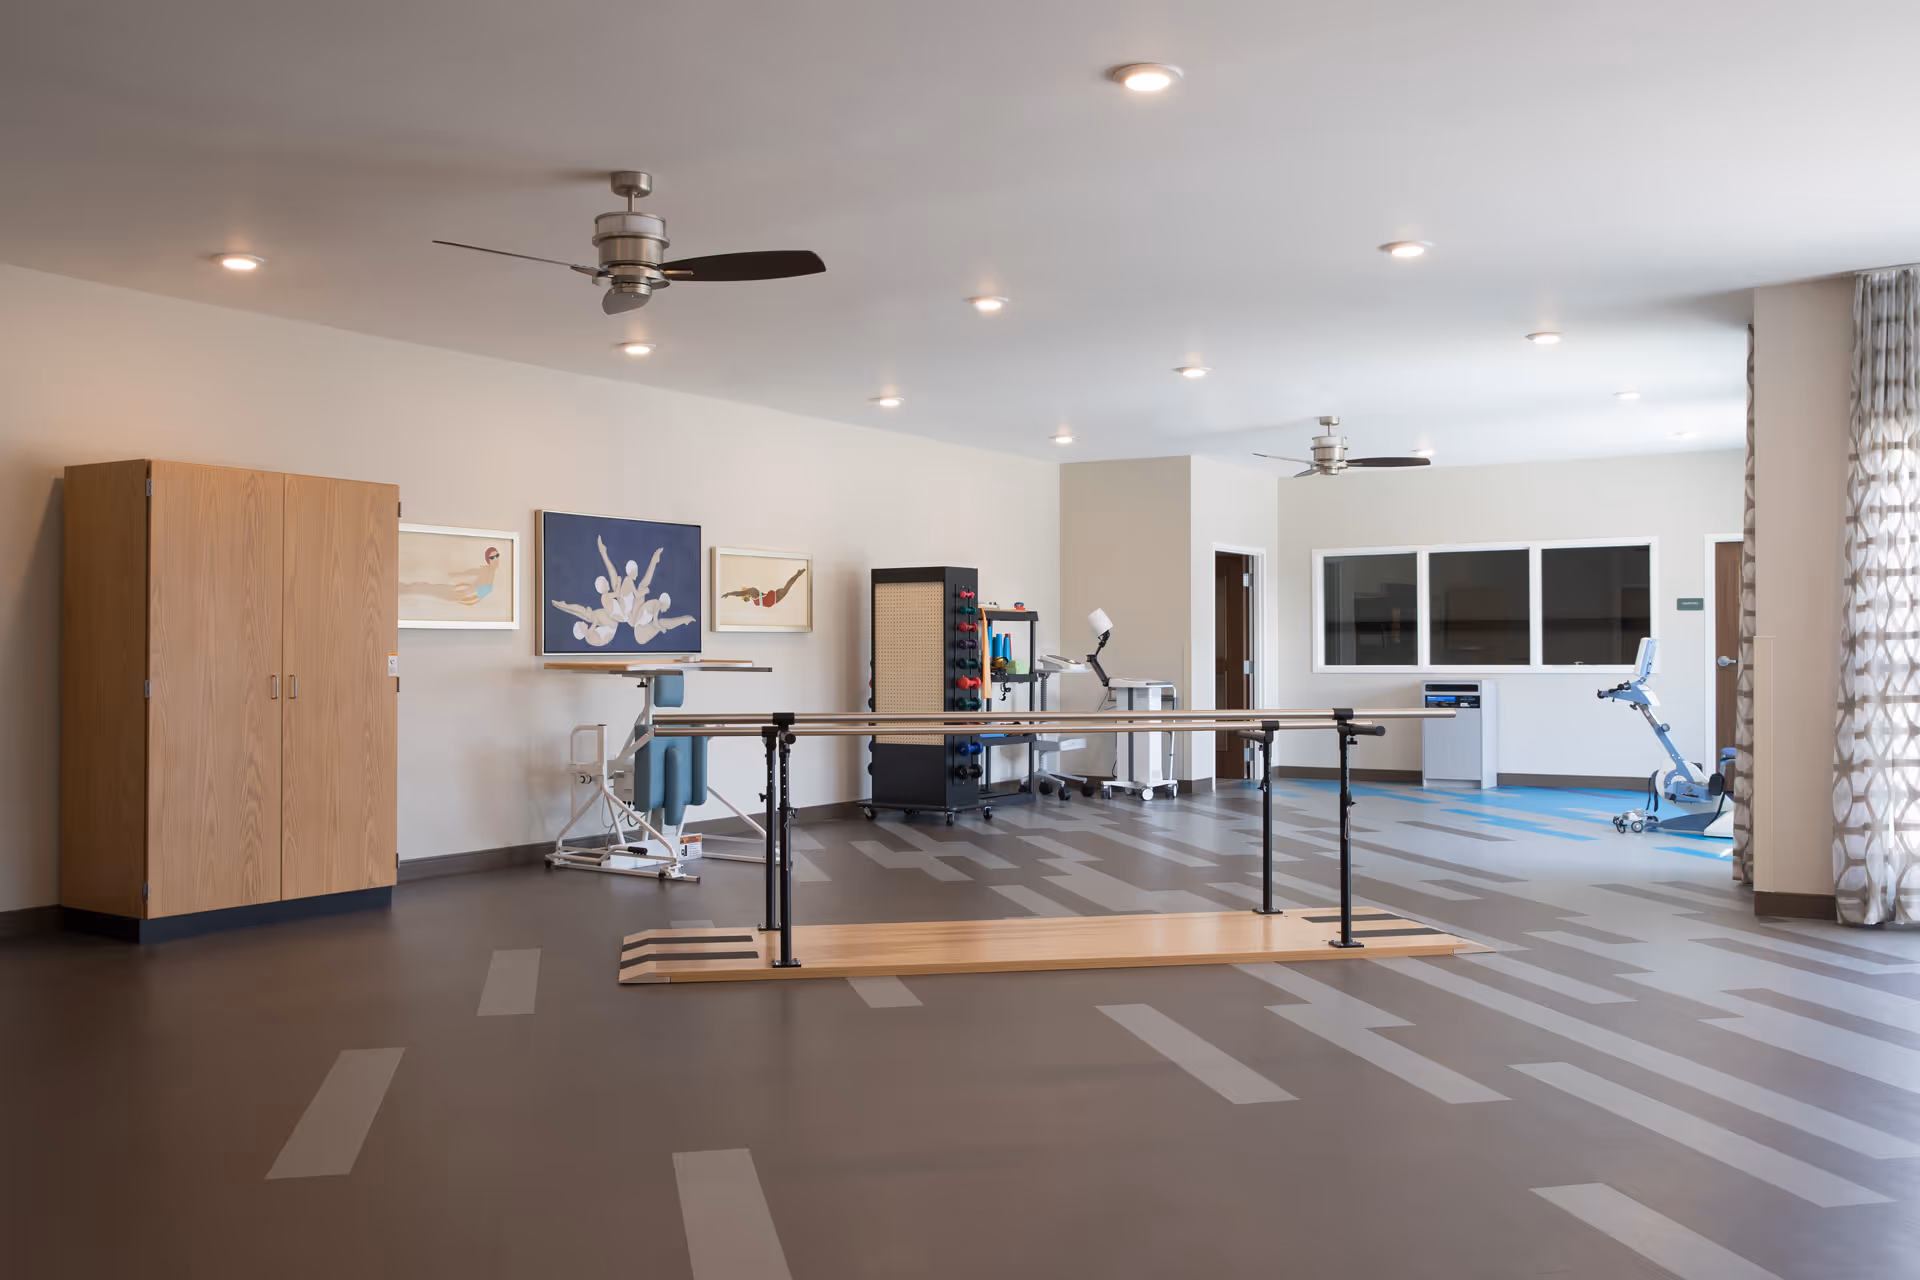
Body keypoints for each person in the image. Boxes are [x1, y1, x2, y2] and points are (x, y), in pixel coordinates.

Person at [721, 566, 806, 608]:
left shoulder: (752, 592)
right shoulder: (753, 597)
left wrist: (728, 594)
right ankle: (798, 574)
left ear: (746, 595)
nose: (746, 601)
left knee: (787, 587)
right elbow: (761, 596)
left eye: (745, 599)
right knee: (787, 588)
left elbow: (739, 593)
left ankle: (798, 574)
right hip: (772, 598)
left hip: (773, 598)